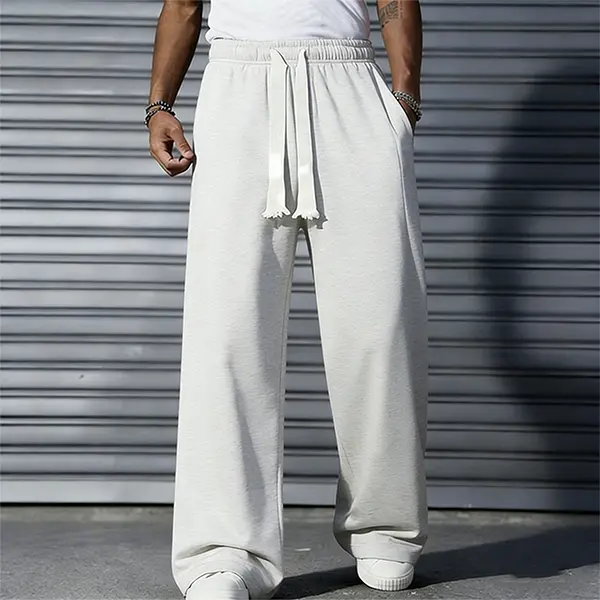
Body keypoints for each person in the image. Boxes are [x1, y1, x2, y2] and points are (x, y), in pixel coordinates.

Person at [146, 1, 428, 598]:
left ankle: (386, 529)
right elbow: (183, 5)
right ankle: (223, 550)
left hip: (349, 84)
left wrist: (403, 101)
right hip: (238, 85)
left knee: (380, 323)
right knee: (227, 329)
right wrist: (160, 105)